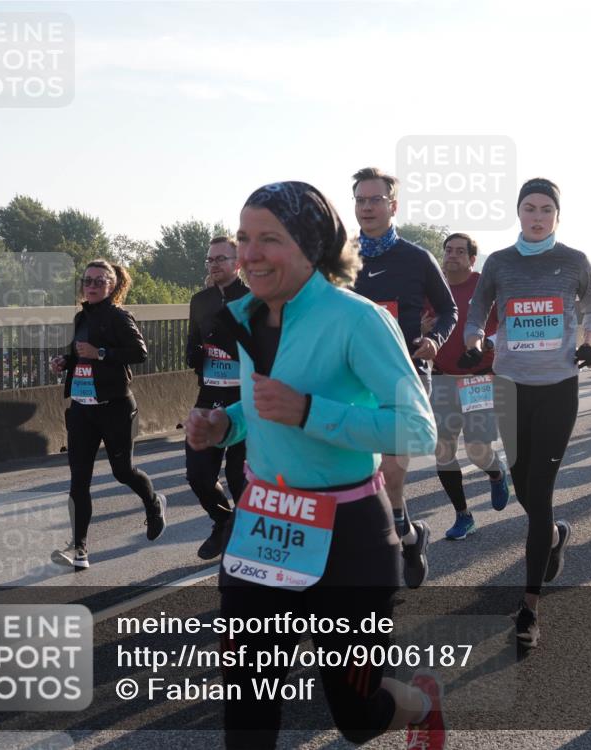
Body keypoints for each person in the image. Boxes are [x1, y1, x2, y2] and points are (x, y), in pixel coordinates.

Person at [185, 181, 445, 750]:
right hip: (266, 524)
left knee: (357, 718)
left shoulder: (358, 319)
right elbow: (263, 404)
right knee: (247, 714)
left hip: (348, 534)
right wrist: (226, 423)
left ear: (311, 245)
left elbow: (417, 427)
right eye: (245, 237)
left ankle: (422, 704)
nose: (249, 253)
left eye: (268, 239)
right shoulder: (245, 315)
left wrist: (309, 412)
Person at [464, 177, 591, 648]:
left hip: (558, 388)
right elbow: (477, 310)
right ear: (519, 213)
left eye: (546, 209)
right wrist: (474, 339)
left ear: (557, 216)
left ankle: (529, 608)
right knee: (525, 486)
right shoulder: (500, 263)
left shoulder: (574, 262)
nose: (538, 216)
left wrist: (587, 344)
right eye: (530, 208)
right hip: (510, 385)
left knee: (538, 493)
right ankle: (556, 536)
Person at [350, 166, 457, 588]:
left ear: (393, 206)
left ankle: (388, 563)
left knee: (391, 472)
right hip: (353, 381)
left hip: (405, 377)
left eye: (376, 200)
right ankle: (410, 535)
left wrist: (435, 340)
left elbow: (448, 310)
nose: (368, 207)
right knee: (363, 476)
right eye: (360, 200)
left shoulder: (416, 258)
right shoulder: (341, 260)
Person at [49, 260, 166, 569]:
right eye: (88, 280)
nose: (92, 285)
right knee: (79, 480)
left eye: (100, 281)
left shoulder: (118, 316)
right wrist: (66, 361)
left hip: (115, 408)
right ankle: (79, 548)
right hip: (82, 410)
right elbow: (80, 356)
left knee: (123, 472)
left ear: (113, 286)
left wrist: (101, 353)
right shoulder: (81, 318)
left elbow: (139, 353)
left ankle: (153, 504)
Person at [426, 233, 509, 540]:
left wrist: (487, 343)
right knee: (443, 450)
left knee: (476, 450)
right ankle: (463, 515)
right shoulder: (431, 286)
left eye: (461, 252)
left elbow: (508, 324)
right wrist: (420, 331)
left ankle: (495, 472)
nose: (453, 255)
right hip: (442, 376)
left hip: (480, 376)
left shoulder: (484, 286)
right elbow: (416, 325)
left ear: (473, 259)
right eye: (449, 250)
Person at [185, 237, 249, 559]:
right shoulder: (200, 301)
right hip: (209, 395)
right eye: (209, 259)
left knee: (240, 478)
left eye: (221, 259)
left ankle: (244, 534)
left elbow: (264, 353)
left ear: (237, 263)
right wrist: (196, 354)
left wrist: (228, 343)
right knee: (198, 475)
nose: (214, 265)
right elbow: (190, 349)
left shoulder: (254, 300)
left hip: (244, 401)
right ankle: (223, 520)